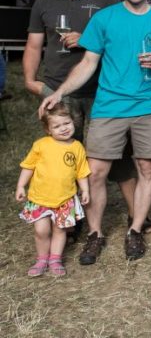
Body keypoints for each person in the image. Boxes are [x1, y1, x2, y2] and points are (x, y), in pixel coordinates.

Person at [40, 0, 151, 262]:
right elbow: (88, 62)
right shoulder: (104, 19)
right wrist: (59, 92)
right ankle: (95, 233)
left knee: (146, 168)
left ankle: (136, 230)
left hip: (150, 104)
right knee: (95, 173)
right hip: (110, 105)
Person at [22, 0, 146, 256]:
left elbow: (121, 40)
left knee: (116, 155)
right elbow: (34, 45)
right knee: (64, 157)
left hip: (102, 89)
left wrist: (89, 40)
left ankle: (137, 217)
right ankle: (71, 221)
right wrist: (29, 81)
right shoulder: (44, 2)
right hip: (58, 88)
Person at [15, 102, 90, 277]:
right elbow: (28, 167)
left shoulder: (77, 147)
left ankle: (55, 259)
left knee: (60, 230)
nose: (63, 128)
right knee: (41, 231)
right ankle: (42, 259)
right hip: (40, 198)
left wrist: (85, 190)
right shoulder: (41, 145)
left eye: (67, 123)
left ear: (73, 122)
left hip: (64, 200)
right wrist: (20, 186)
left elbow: (81, 171)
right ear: (48, 130)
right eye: (57, 126)